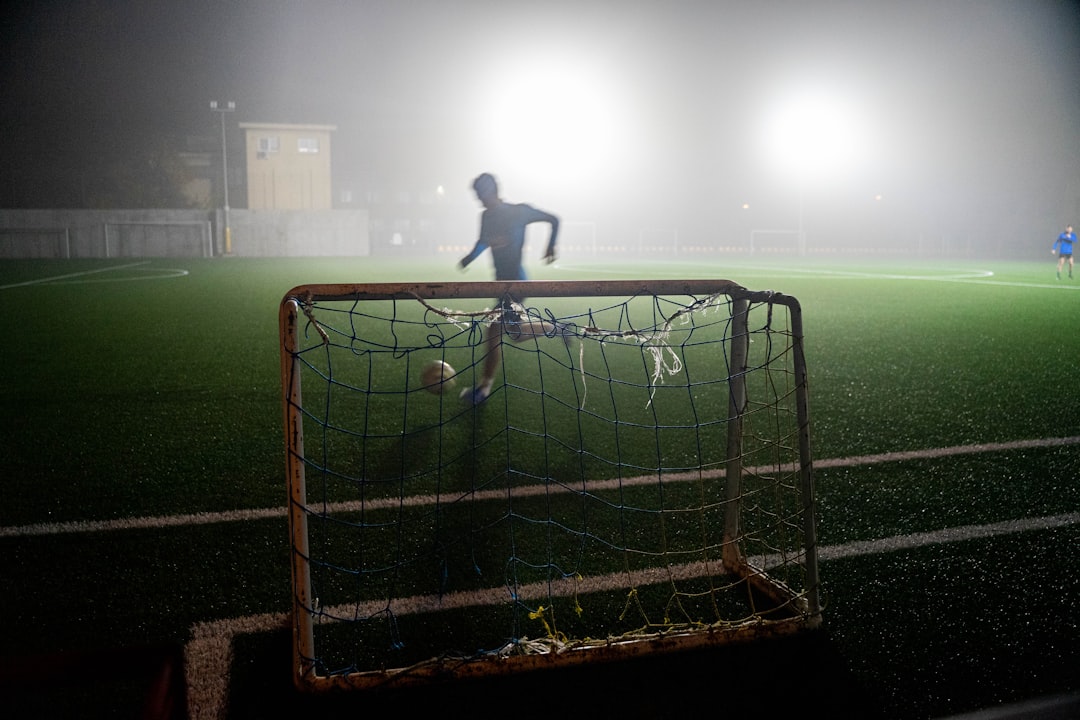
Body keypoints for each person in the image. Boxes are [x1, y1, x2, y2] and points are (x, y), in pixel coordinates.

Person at [458, 172, 562, 404]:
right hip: (502, 284)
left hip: (517, 283)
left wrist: (551, 246)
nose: (478, 199)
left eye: (480, 194)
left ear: (491, 191)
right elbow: (482, 242)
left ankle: (483, 390)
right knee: (515, 333)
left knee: (494, 331)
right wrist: (468, 258)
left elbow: (553, 219)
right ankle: (556, 328)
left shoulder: (518, 212)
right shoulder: (485, 217)